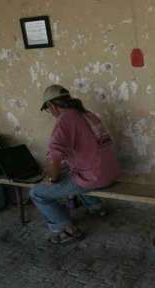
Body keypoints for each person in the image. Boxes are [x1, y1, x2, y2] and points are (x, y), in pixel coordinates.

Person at [29, 84, 121, 245]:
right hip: (111, 171)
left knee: (37, 193)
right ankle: (96, 208)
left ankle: (67, 230)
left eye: (48, 109)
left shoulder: (65, 119)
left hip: (94, 177)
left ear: (51, 106)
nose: (50, 113)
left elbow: (55, 155)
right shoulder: (87, 114)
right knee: (73, 171)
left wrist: (50, 179)